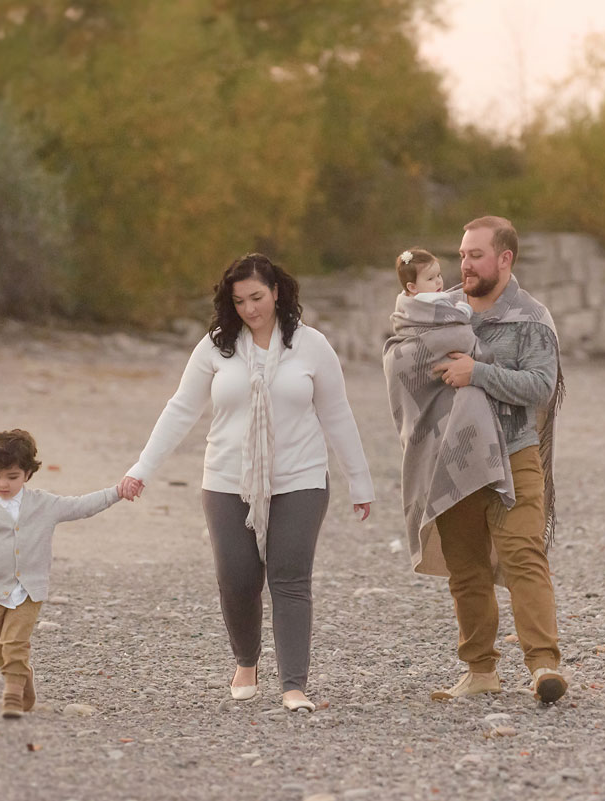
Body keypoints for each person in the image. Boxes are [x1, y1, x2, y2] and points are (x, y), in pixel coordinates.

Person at [118, 253, 374, 712]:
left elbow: (336, 414)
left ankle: (294, 684)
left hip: (300, 478)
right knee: (237, 580)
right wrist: (142, 469)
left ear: (277, 292)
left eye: (257, 297)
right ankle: (246, 661)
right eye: (240, 301)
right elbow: (181, 410)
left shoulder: (311, 346)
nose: (250, 309)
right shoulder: (217, 347)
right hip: (226, 479)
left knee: (290, 580)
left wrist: (360, 481)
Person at [428, 216, 568, 704]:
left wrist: (479, 373)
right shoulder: (441, 310)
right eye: (462, 254)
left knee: (524, 555)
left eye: (475, 255)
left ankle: (544, 666)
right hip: (455, 457)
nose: (464, 264)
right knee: (464, 567)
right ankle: (480, 670)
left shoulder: (531, 317)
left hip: (513, 454)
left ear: (505, 259)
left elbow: (540, 387)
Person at [0, 429, 124, 718]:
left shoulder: (44, 504)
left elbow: (82, 506)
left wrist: (118, 492)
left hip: (28, 590)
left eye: (12, 476)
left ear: (27, 474)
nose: (3, 483)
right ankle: (24, 678)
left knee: (14, 643)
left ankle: (11, 696)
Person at [383, 248, 515, 588]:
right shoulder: (420, 317)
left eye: (440, 274)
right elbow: (454, 344)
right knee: (464, 553)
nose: (440, 282)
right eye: (430, 278)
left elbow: (460, 341)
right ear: (412, 289)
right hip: (434, 431)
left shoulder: (448, 309)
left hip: (462, 430)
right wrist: (479, 355)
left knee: (476, 546)